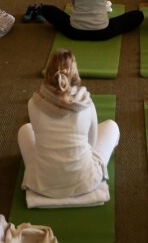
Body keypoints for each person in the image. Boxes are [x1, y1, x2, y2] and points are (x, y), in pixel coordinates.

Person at [17, 48, 119, 199]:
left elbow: (38, 138)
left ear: (49, 73)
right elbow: (92, 142)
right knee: (111, 126)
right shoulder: (86, 104)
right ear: (74, 73)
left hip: (43, 181)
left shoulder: (33, 103)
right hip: (84, 180)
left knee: (25, 129)